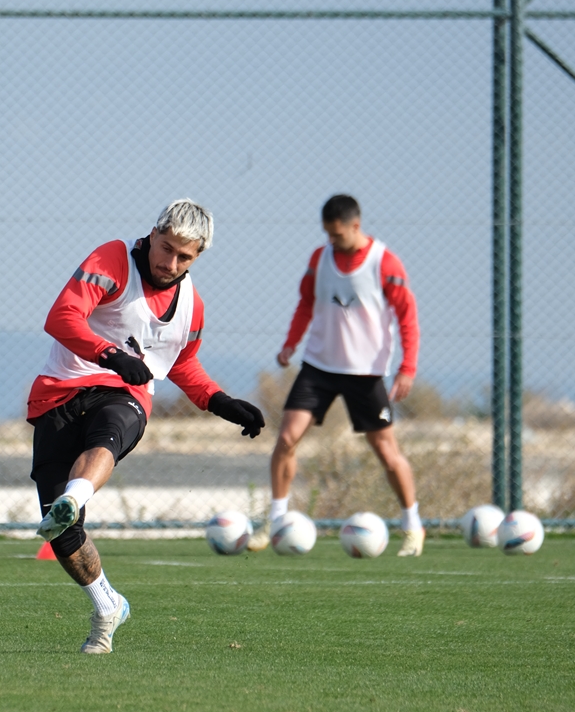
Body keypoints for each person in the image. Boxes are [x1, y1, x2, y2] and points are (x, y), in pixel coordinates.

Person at [28, 198, 265, 654]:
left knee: (107, 435)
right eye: (165, 247)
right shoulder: (113, 258)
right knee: (62, 533)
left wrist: (221, 401)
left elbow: (182, 365)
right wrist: (111, 355)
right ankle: (106, 606)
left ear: (198, 258)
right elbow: (62, 317)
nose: (169, 261)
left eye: (184, 256)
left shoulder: (192, 307)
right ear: (153, 234)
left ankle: (72, 498)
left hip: (125, 397)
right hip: (60, 392)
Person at [266, 194, 424, 556]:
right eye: (327, 234)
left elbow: (407, 317)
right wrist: (291, 344)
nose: (330, 241)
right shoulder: (319, 258)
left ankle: (413, 525)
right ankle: (276, 521)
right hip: (319, 366)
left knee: (386, 452)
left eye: (337, 234)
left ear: (355, 225)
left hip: (365, 373)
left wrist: (407, 367)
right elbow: (306, 302)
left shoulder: (384, 262)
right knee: (287, 439)